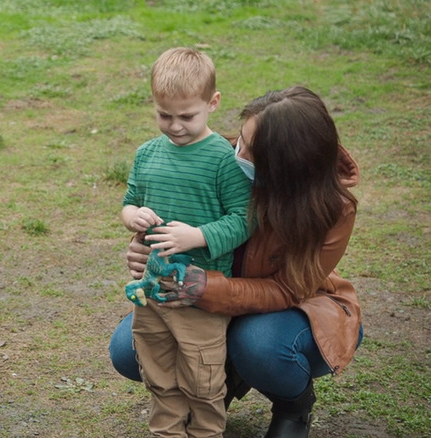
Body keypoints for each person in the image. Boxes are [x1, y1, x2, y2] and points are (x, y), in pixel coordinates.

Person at [110, 86, 363, 438]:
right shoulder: (217, 158)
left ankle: (294, 406)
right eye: (240, 139)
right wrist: (144, 248)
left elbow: (287, 288)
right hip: (208, 303)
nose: (237, 152)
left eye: (250, 151)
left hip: (290, 309)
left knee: (257, 344)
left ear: (285, 166)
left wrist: (204, 287)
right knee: (128, 350)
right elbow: (174, 216)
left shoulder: (333, 208)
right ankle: (218, 380)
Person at [120, 47, 252, 437]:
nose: (175, 126)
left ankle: (207, 431)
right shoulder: (147, 154)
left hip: (200, 293)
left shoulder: (224, 159)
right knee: (157, 367)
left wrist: (196, 236)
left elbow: (244, 220)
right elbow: (129, 202)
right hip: (152, 287)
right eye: (165, 115)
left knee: (202, 375)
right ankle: (167, 431)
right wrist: (133, 216)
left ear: (213, 103)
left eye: (187, 116)